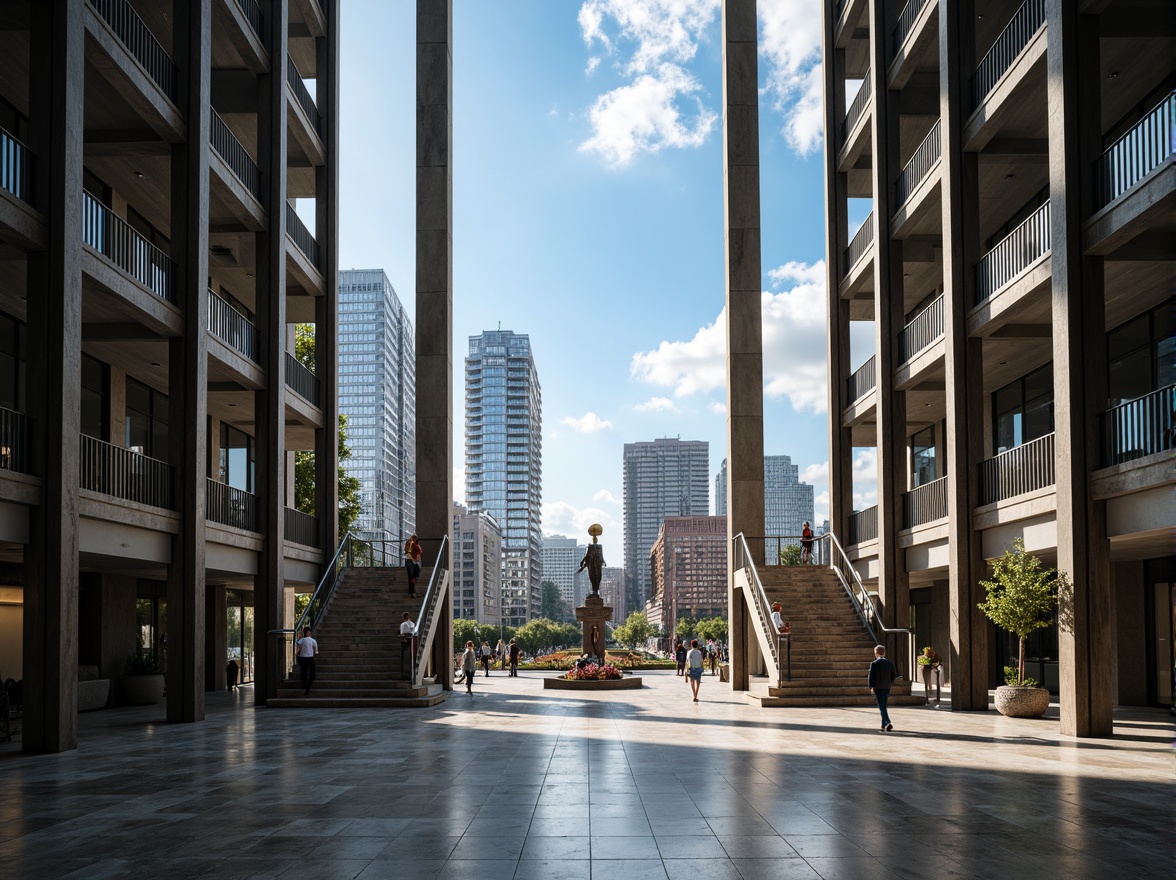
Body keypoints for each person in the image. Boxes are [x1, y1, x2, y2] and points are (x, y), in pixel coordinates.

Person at [868, 644, 899, 732]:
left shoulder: (874, 663)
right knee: (883, 705)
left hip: (878, 687)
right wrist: (889, 682)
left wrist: (871, 686)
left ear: (876, 653)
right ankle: (883, 725)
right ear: (884, 653)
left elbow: (871, 676)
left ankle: (888, 722)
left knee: (881, 706)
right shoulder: (890, 663)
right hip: (886, 687)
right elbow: (894, 675)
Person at [295, 626, 318, 696]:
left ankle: (304, 685)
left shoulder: (301, 640)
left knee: (303, 673)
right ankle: (308, 686)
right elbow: (316, 651)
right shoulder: (313, 641)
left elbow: (298, 650)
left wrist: (297, 655)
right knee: (312, 674)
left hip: (302, 658)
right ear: (309, 633)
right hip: (310, 658)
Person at [399, 612, 417, 680]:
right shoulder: (413, 624)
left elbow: (402, 633)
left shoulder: (403, 624)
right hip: (412, 640)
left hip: (406, 640)